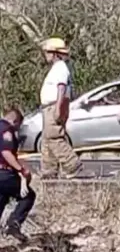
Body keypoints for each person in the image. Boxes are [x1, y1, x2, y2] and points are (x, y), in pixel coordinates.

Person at [39, 37, 83, 179]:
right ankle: (49, 170)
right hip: (49, 107)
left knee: (54, 137)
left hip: (54, 106)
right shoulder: (56, 68)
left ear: (55, 53)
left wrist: (58, 107)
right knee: (47, 139)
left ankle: (72, 164)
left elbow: (61, 88)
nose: (46, 55)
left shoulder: (60, 68)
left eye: (48, 52)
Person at [0, 107, 36, 242]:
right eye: (18, 126)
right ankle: (13, 225)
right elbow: (6, 152)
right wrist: (21, 170)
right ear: (15, 121)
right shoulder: (6, 130)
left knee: (2, 198)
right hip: (3, 173)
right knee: (28, 196)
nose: (17, 130)